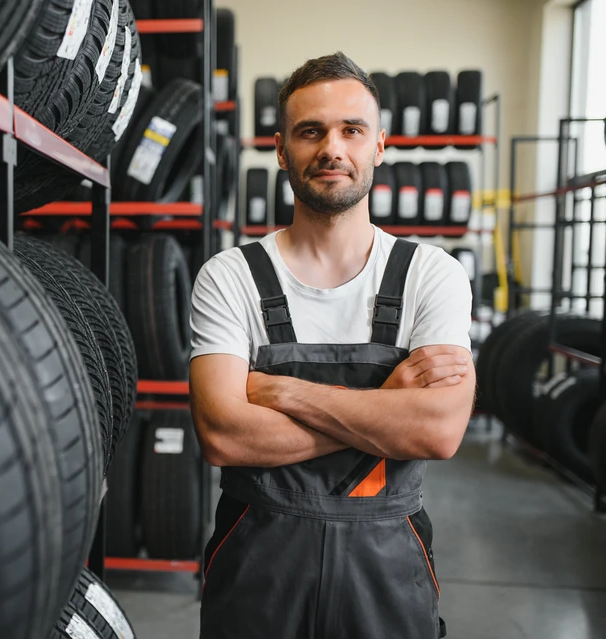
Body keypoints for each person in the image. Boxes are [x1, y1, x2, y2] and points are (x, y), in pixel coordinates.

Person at [189, 51, 475, 639]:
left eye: (352, 130)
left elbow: (436, 433)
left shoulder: (432, 274)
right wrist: (385, 403)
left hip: (388, 570)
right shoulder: (230, 276)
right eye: (310, 131)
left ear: (380, 145)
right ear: (280, 147)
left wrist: (280, 392)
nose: (332, 149)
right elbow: (222, 434)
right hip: (257, 566)